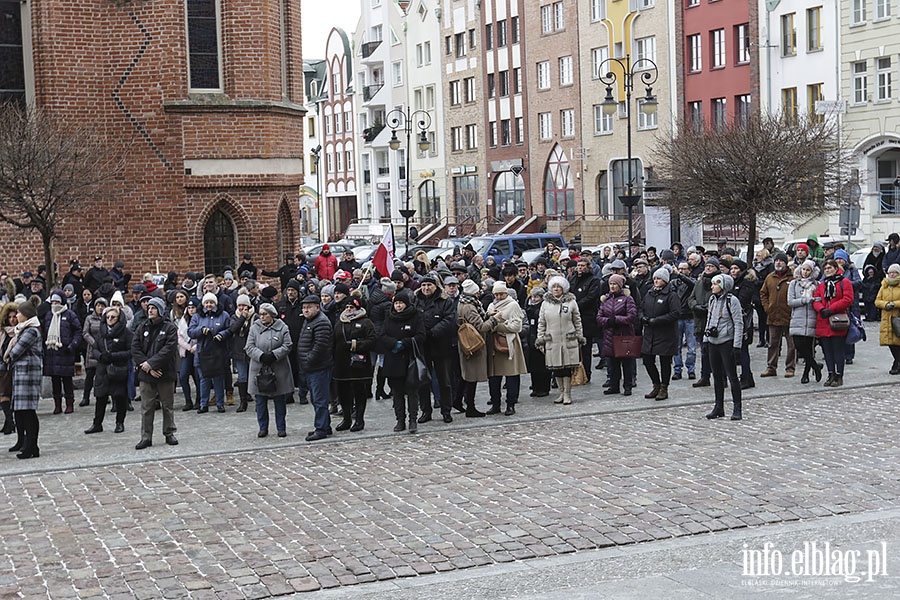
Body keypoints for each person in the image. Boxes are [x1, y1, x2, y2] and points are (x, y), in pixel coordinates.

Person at [131, 297, 179, 449]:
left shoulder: (169, 328)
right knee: (147, 407)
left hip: (165, 372)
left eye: (153, 308)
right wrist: (147, 367)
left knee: (167, 405)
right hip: (146, 374)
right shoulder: (141, 327)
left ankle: (169, 432)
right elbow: (135, 348)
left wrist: (152, 364)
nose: (150, 310)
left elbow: (169, 349)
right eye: (149, 308)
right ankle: (146, 436)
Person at [378, 289, 426, 433]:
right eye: (396, 303)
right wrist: (393, 344)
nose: (398, 306)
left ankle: (413, 420)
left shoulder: (416, 315)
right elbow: (382, 335)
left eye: (401, 303)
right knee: (397, 393)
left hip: (409, 360)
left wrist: (405, 343)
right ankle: (400, 420)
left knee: (412, 392)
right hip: (393, 360)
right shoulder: (389, 316)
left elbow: (421, 335)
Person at [245, 302, 294, 437]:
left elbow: (288, 345)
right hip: (259, 368)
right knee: (260, 401)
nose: (262, 316)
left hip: (278, 367)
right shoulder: (254, 328)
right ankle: (263, 427)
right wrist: (261, 356)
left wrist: (274, 355)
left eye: (265, 314)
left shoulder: (282, 327)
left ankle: (281, 427)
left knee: (279, 400)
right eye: (260, 314)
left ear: (272, 315)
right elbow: (249, 347)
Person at [414, 275, 456, 423]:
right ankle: (425, 410)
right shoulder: (415, 300)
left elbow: (449, 320)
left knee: (444, 380)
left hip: (441, 345)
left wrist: (432, 332)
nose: (426, 288)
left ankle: (446, 410)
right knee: (422, 380)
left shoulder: (445, 301)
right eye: (424, 285)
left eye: (429, 285)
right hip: (422, 346)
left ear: (435, 286)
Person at [536, 276, 584, 405]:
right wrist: (540, 339)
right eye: (554, 287)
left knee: (567, 367)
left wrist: (579, 337)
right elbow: (541, 322)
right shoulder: (545, 303)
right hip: (552, 340)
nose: (556, 289)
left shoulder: (571, 302)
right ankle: (561, 392)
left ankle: (568, 393)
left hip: (568, 339)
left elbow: (577, 321)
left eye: (559, 287)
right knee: (556, 367)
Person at [85, 306, 133, 434]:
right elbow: (94, 348)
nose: (110, 319)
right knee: (100, 397)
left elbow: (130, 351)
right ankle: (97, 424)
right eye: (107, 317)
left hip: (118, 368)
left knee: (119, 397)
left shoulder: (126, 333)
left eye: (113, 317)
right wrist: (100, 356)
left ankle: (119, 423)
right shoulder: (101, 332)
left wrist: (114, 356)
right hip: (102, 368)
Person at [5, 300, 43, 459]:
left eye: (19, 313)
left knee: (28, 412)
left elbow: (17, 350)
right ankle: (25, 444)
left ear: (26, 315)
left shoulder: (31, 331)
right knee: (21, 411)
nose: (17, 316)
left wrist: (9, 354)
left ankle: (32, 446)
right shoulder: (23, 330)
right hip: (21, 374)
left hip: (27, 374)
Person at [703, 274, 744, 421]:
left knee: (732, 376)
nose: (712, 286)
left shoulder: (732, 301)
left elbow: (738, 323)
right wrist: (705, 340)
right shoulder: (712, 299)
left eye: (716, 284)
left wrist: (737, 346)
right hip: (713, 341)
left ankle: (737, 407)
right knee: (717, 376)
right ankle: (718, 406)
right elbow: (709, 319)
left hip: (726, 342)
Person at [333, 297, 377, 431]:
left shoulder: (366, 322)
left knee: (359, 392)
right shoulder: (340, 322)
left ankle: (359, 419)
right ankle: (346, 419)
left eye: (351, 307)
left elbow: (373, 340)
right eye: (346, 307)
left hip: (359, 363)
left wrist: (356, 344)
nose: (348, 309)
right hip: (341, 363)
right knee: (343, 393)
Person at [485, 282, 527, 416]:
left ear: (506, 293)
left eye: (501, 294)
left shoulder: (513, 305)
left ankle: (511, 404)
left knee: (511, 376)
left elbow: (516, 327)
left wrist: (498, 325)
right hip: (493, 345)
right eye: (496, 294)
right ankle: (495, 404)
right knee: (494, 377)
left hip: (509, 344)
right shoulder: (491, 306)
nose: (499, 296)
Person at [639, 268, 681, 401]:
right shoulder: (649, 293)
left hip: (665, 333)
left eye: (659, 279)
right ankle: (656, 384)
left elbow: (675, 313)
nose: (656, 281)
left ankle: (664, 387)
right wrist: (642, 318)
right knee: (647, 359)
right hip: (650, 332)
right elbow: (641, 308)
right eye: (655, 278)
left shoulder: (671, 295)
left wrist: (657, 320)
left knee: (664, 362)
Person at [298, 294, 334, 441]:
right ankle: (326, 425)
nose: (305, 310)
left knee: (320, 399)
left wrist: (308, 359)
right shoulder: (309, 321)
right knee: (316, 398)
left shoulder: (321, 322)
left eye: (309, 307)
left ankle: (321, 429)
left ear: (317, 307)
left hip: (318, 367)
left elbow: (320, 346)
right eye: (304, 307)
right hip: (310, 367)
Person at [813, 259, 854, 387]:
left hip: (837, 320)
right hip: (823, 321)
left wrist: (831, 309)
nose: (828, 270)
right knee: (827, 351)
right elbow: (816, 299)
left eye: (830, 268)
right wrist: (821, 309)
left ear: (836, 269)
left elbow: (848, 299)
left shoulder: (844, 282)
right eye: (826, 269)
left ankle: (839, 375)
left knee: (838, 350)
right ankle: (830, 374)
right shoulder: (822, 285)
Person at [188, 292, 231, 413]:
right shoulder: (197, 316)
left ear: (215, 303)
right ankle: (203, 404)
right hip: (202, 352)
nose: (209, 305)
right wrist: (201, 330)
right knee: (204, 379)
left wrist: (222, 335)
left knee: (218, 379)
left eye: (211, 302)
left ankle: (220, 404)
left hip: (219, 352)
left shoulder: (224, 315)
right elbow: (190, 332)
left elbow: (230, 330)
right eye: (206, 302)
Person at [42, 291, 83, 414]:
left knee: (67, 380)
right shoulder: (49, 315)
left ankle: (69, 403)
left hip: (65, 352)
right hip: (52, 353)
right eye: (53, 302)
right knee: (55, 380)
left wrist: (72, 345)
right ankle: (57, 404)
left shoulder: (70, 315)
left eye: (57, 302)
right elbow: (44, 331)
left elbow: (78, 331)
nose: (55, 304)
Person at [596, 274, 637, 396]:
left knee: (626, 363)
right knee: (612, 363)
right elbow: (599, 317)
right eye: (611, 284)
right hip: (609, 335)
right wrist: (608, 321)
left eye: (615, 284)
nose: (612, 286)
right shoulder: (606, 299)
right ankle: (614, 386)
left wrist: (617, 319)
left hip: (624, 334)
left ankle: (628, 386)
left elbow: (631, 316)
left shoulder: (627, 299)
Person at [455, 279, 491, 417]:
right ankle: (470, 406)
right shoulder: (470, 307)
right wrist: (494, 320)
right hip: (472, 343)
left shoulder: (462, 302)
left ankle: (457, 400)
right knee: (472, 376)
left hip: (466, 341)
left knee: (466, 374)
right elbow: (481, 326)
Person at [759, 253, 796, 378]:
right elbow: (763, 293)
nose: (778, 263)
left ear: (786, 263)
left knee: (791, 344)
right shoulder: (770, 277)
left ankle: (790, 368)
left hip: (789, 316)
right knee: (772, 343)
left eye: (781, 261)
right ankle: (771, 367)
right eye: (777, 261)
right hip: (773, 315)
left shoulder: (793, 278)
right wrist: (767, 307)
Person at [787, 260, 823, 384]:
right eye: (804, 269)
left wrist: (815, 301)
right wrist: (805, 300)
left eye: (808, 270)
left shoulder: (817, 284)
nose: (805, 272)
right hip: (797, 319)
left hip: (811, 319)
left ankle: (806, 373)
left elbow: (819, 300)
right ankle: (815, 366)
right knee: (798, 346)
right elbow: (791, 302)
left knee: (809, 348)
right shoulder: (794, 284)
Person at [568, 258, 601, 383]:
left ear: (588, 266)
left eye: (582, 265)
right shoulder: (572, 278)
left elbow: (591, 297)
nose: (580, 268)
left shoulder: (594, 280)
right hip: (572, 318)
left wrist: (575, 306)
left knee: (585, 348)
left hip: (587, 317)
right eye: (578, 265)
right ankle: (575, 373)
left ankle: (586, 373)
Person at [229, 295, 256, 413]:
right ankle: (243, 402)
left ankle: (258, 400)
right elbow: (233, 329)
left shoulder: (255, 316)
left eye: (244, 305)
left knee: (255, 376)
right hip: (239, 351)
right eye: (239, 305)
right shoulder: (234, 317)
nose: (241, 308)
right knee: (242, 377)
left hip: (252, 351)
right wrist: (242, 318)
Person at [80, 296, 109, 407]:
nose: (100, 308)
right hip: (92, 350)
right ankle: (86, 397)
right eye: (98, 305)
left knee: (103, 375)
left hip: (104, 349)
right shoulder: (89, 318)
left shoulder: (108, 318)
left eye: (102, 306)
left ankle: (103, 396)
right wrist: (94, 343)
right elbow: (85, 333)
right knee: (90, 375)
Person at [525, 287, 551, 398]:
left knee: (543, 366)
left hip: (541, 337)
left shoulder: (544, 307)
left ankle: (544, 388)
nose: (534, 299)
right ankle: (535, 387)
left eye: (536, 297)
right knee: (533, 366)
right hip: (531, 338)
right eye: (533, 297)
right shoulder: (528, 306)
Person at [875, 263, 900, 374]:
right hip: (887, 318)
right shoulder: (884, 285)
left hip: (897, 318)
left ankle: (897, 363)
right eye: (890, 273)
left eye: (894, 272)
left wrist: (894, 304)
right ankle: (897, 361)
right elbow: (877, 301)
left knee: (898, 341)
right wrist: (885, 304)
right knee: (890, 343)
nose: (892, 275)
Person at [177, 298, 200, 411]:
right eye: (189, 308)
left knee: (197, 377)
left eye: (193, 308)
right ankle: (188, 401)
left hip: (197, 351)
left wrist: (195, 348)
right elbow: (179, 337)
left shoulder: (200, 319)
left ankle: (199, 400)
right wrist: (188, 347)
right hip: (186, 351)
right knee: (183, 376)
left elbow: (202, 337)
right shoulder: (183, 321)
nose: (191, 310)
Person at [0, 302, 18, 435]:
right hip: (1, 366)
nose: (12, 320)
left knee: (4, 396)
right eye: (9, 317)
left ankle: (10, 422)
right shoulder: (3, 332)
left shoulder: (19, 332)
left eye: (14, 317)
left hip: (11, 367)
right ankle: (8, 423)